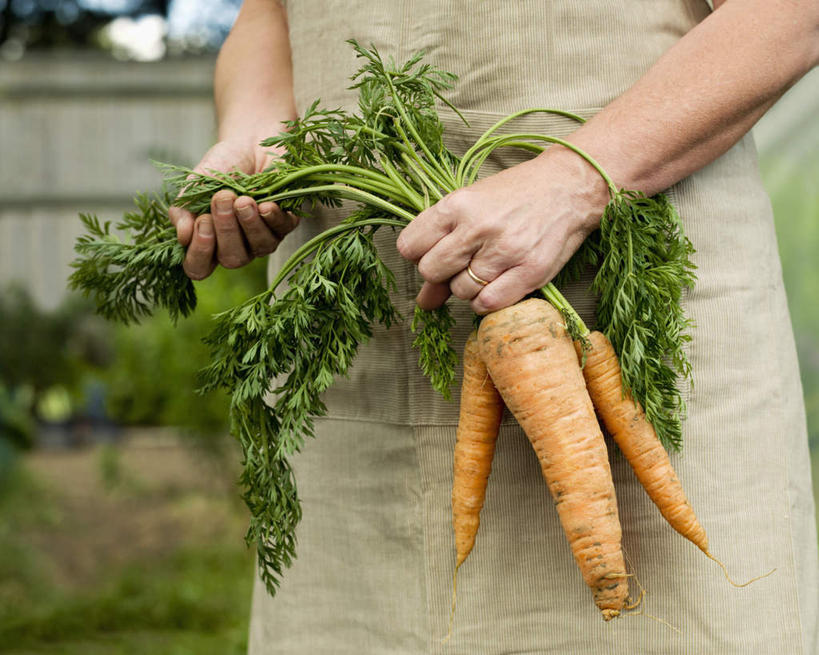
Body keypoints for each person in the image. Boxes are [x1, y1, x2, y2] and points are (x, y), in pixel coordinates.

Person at [169, 1, 819, 653]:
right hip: (354, 331)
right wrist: (257, 120)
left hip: (635, 298)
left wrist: (578, 177)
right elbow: (269, 13)